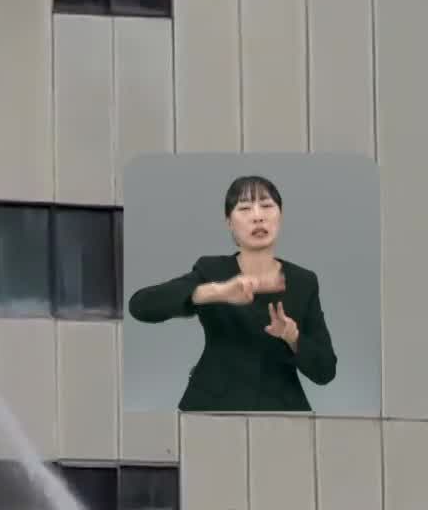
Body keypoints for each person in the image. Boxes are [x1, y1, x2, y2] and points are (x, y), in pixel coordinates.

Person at [127, 174, 337, 412]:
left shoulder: (304, 281)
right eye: (245, 208)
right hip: (213, 406)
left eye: (267, 206)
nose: (258, 216)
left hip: (281, 410)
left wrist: (293, 337)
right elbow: (140, 306)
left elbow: (326, 370)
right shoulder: (213, 269)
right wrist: (215, 291)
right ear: (229, 222)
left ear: (281, 215)